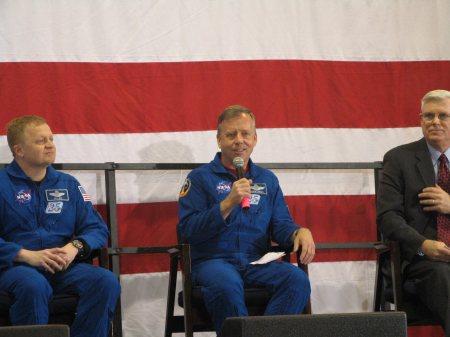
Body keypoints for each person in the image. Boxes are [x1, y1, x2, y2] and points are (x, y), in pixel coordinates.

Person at [178, 105, 315, 335]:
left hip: (256, 262)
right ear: (219, 139)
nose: (239, 140)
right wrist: (227, 203)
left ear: (255, 138)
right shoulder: (199, 178)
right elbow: (187, 230)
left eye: (245, 134)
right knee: (227, 285)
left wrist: (298, 232)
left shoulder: (267, 179)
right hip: (213, 262)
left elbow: (281, 225)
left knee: (297, 280)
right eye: (231, 135)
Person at [0, 116, 120, 337]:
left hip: (62, 267)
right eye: (40, 141)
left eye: (51, 139)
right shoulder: (2, 184)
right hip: (15, 268)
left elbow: (97, 229)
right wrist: (25, 255)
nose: (50, 145)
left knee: (105, 281)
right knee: (34, 286)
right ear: (19, 150)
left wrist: (73, 248)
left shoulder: (69, 184)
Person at [377, 89, 450, 335]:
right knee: (442, 274)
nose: (435, 122)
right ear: (420, 120)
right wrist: (422, 245)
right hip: (423, 261)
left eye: (443, 115)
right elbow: (388, 218)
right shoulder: (399, 159)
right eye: (429, 116)